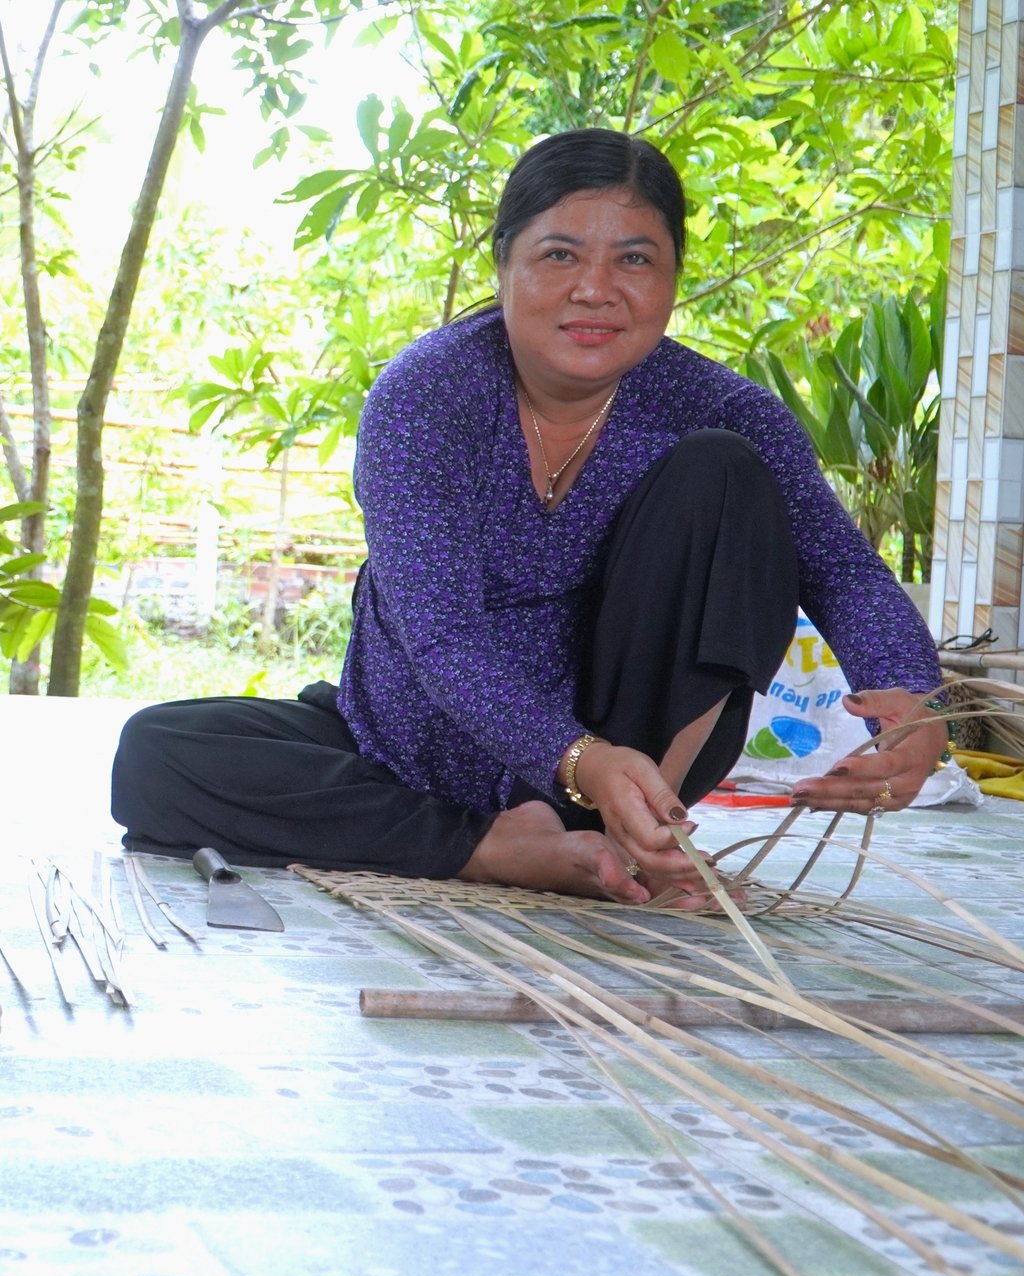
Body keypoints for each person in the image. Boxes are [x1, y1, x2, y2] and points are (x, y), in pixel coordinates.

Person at [111, 128, 944, 909]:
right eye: (559, 254)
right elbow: (437, 638)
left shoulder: (721, 410)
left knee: (725, 469)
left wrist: (914, 706)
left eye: (635, 259)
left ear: (673, 278)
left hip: (629, 760)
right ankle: (490, 847)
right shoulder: (426, 397)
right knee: (157, 753)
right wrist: (565, 758)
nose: (596, 288)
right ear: (504, 261)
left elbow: (841, 569)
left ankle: (634, 838)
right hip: (404, 746)